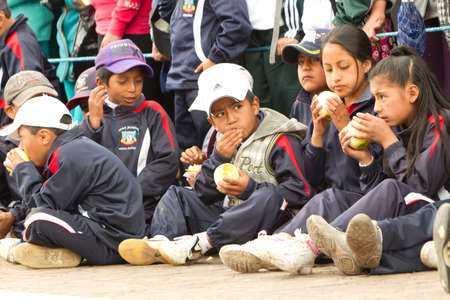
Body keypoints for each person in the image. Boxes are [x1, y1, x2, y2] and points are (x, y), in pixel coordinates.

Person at [221, 45, 450, 276]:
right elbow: (374, 189)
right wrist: (365, 159)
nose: (377, 107)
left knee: (390, 189)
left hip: (434, 215)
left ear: (412, 93)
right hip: (405, 207)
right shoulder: (394, 123)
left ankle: (306, 247)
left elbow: (419, 187)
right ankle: (278, 242)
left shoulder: (439, 122)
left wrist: (388, 141)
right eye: (375, 97)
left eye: (382, 97)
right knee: (333, 197)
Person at [218, 24, 377, 273]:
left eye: (343, 67)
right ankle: (274, 247)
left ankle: (277, 246)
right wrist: (319, 132)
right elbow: (311, 177)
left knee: (326, 200)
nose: (335, 77)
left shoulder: (375, 105)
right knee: (315, 203)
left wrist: (347, 128)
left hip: (364, 203)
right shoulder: (322, 104)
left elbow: (376, 179)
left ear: (366, 64)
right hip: (328, 203)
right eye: (329, 68)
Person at [118, 63, 311, 267]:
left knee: (268, 195)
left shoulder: (280, 138)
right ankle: (163, 243)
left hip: (269, 223)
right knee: (178, 195)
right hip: (229, 220)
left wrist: (249, 189)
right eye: (220, 114)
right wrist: (218, 157)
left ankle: (200, 243)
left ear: (254, 105)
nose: (231, 119)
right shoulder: (217, 139)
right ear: (211, 121)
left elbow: (300, 192)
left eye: (237, 107)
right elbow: (204, 193)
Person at [0, 95, 146, 268]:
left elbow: (42, 204)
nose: (21, 147)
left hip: (114, 241)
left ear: (44, 137)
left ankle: (28, 248)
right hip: (108, 233)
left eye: (22, 138)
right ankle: (64, 253)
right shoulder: (72, 149)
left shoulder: (71, 153)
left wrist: (23, 169)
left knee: (36, 220)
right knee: (35, 218)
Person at [80, 39, 179, 235]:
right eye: (123, 81)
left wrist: (130, 192)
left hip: (146, 208)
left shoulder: (153, 112)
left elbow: (168, 160)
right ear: (101, 83)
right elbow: (82, 166)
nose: (133, 88)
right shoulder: (90, 121)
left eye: (138, 80)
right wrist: (93, 125)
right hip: (102, 211)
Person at [158, 0, 252, 150]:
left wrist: (216, 58)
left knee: (215, 147)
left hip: (210, 81)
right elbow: (166, 14)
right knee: (189, 154)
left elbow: (237, 25)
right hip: (181, 78)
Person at [0, 71, 58, 239]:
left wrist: (14, 215)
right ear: (11, 111)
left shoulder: (66, 139)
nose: (42, 105)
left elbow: (55, 198)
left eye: (47, 98)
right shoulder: (3, 146)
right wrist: (5, 214)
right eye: (33, 101)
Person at [0, 0, 59, 126]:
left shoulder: (19, 44)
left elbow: (30, 94)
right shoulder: (7, 39)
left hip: (20, 127)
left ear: (0, 19)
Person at [242, 0, 303, 117]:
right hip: (243, 36)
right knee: (257, 108)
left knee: (288, 104)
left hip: (281, 32)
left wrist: (294, 32)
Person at [282, 29, 329, 125]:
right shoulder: (300, 103)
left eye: (315, 59)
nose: (305, 67)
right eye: (300, 62)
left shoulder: (345, 103)